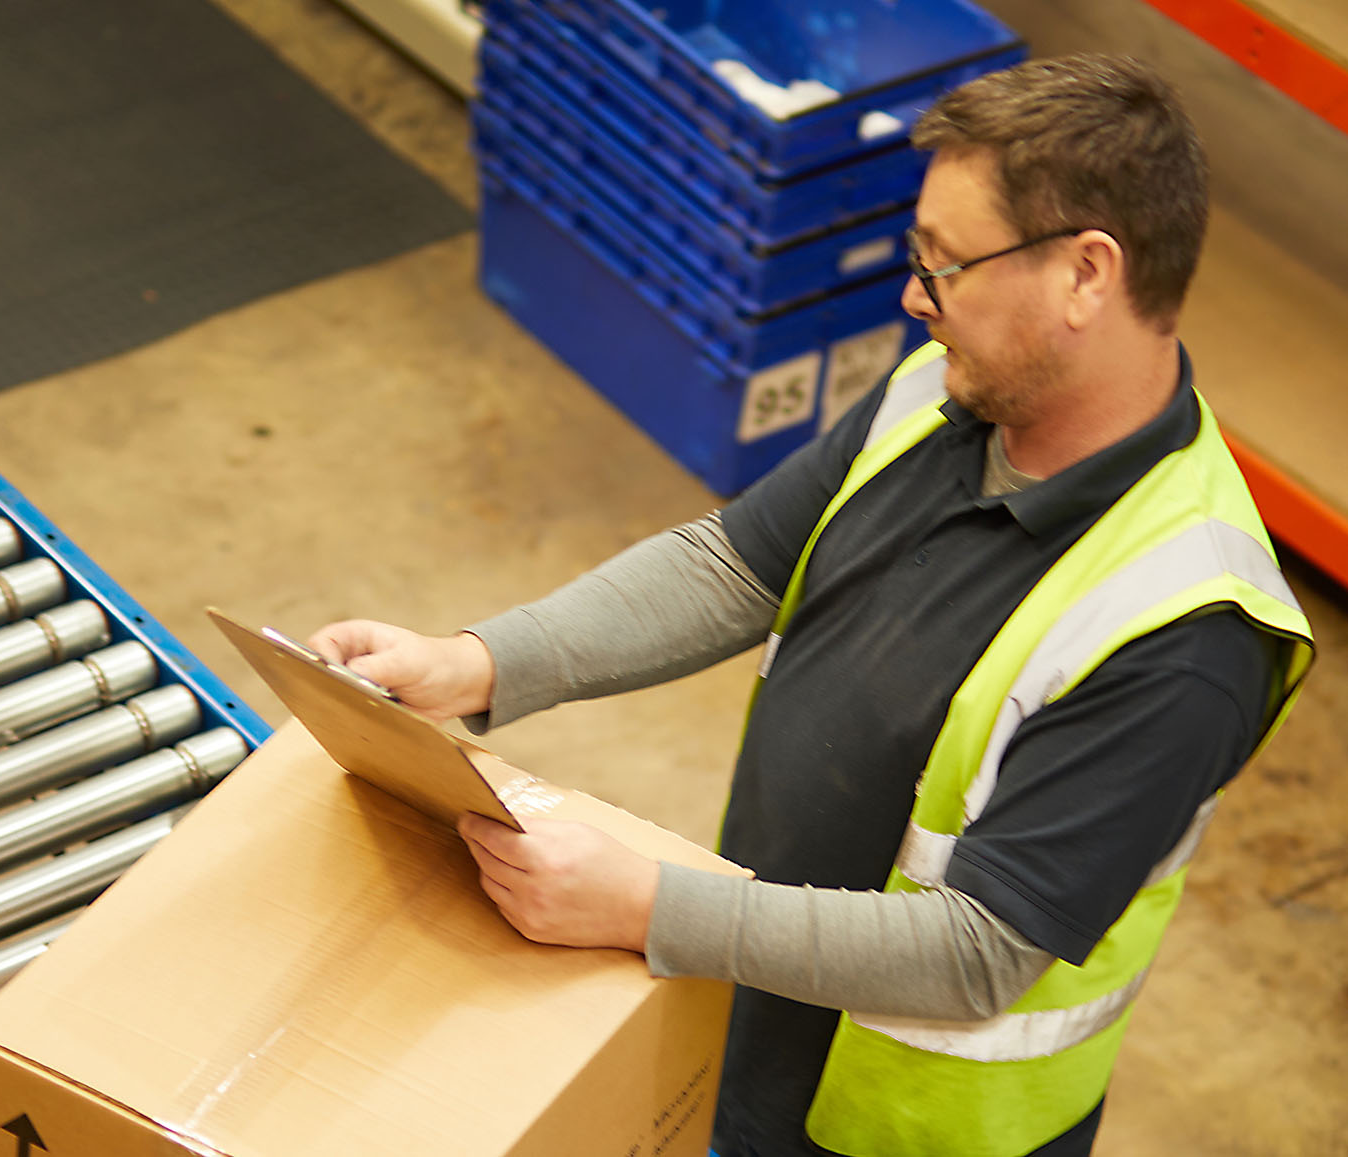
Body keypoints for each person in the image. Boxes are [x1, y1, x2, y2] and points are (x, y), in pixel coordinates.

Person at [310, 53, 1314, 1157]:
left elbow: (977, 951)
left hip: (903, 1129)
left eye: (946, 264)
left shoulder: (1184, 630)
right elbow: (735, 562)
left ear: (1086, 274)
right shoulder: (944, 390)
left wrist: (648, 904)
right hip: (762, 1010)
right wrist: (477, 662)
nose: (911, 296)